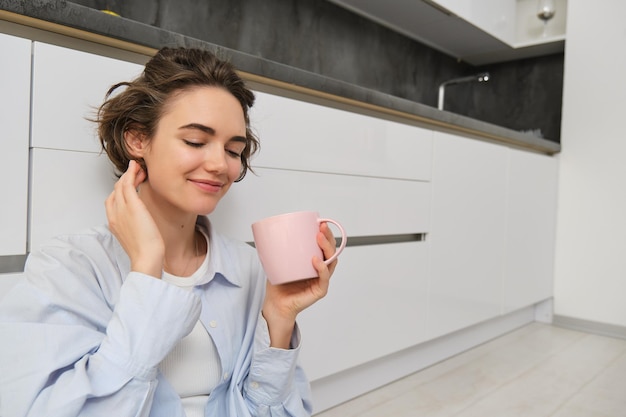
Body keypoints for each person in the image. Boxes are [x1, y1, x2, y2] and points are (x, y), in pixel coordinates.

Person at [0, 47, 338, 417]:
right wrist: (146, 270)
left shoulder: (251, 270)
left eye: (233, 150)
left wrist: (279, 317)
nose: (219, 164)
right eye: (195, 141)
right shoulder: (67, 269)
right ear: (137, 140)